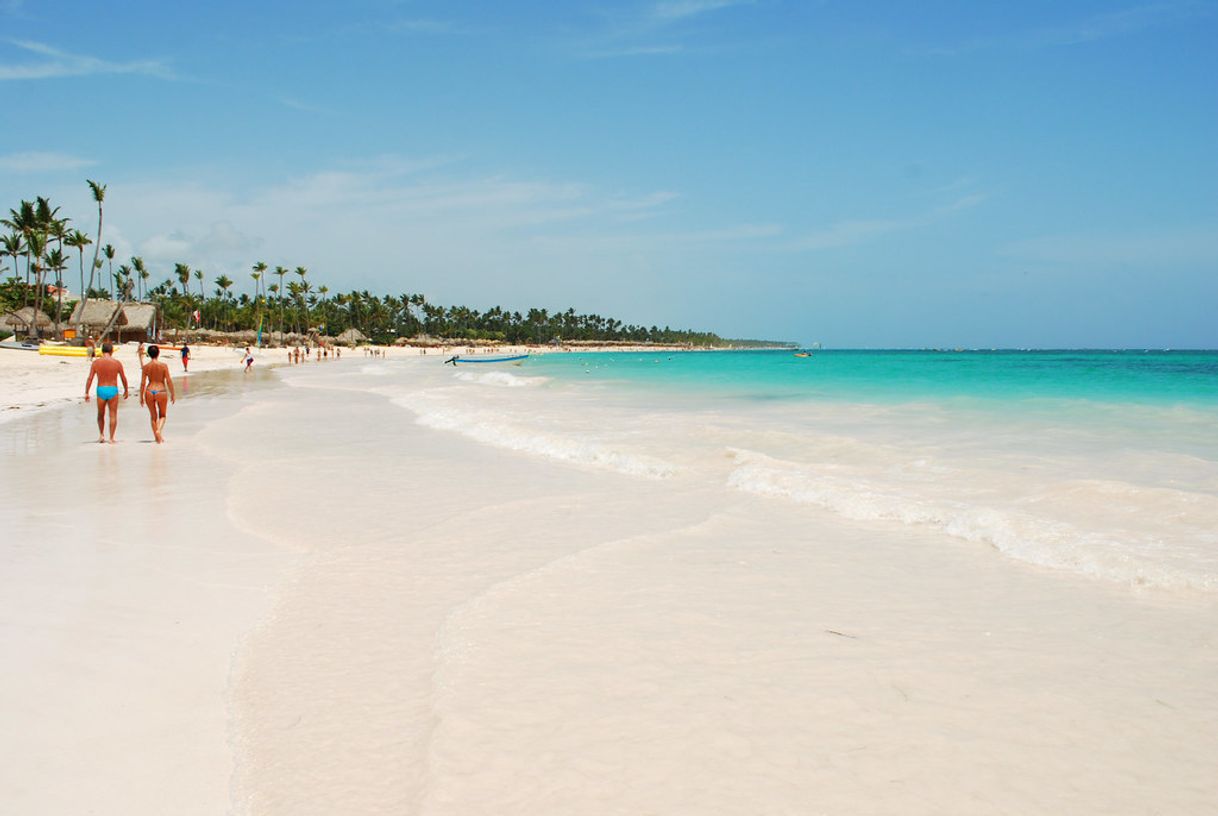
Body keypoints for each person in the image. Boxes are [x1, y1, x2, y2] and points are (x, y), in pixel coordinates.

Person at [84, 341, 129, 443]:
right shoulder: (117, 363)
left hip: (101, 389)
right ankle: (112, 438)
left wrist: (86, 392)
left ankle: (101, 435)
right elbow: (123, 378)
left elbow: (90, 378)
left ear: (102, 350)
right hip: (113, 389)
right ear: (112, 351)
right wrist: (126, 390)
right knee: (113, 415)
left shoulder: (96, 363)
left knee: (100, 414)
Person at [139, 344, 176, 444]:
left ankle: (157, 438)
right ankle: (158, 431)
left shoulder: (146, 367)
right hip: (161, 390)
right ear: (158, 353)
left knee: (153, 416)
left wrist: (141, 396)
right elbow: (168, 380)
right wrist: (172, 393)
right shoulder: (163, 366)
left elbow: (143, 383)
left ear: (149, 354)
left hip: (149, 390)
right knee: (162, 415)